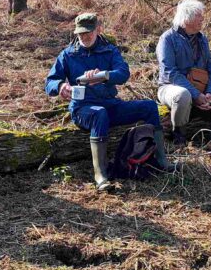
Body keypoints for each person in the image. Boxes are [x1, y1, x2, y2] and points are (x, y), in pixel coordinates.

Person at [45, 13, 172, 191]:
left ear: (98, 29)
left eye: (88, 32)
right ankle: (101, 174)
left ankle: (161, 161)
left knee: (150, 106)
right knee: (99, 113)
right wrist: (60, 87)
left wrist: (104, 76)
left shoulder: (109, 50)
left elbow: (123, 73)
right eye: (80, 33)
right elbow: (49, 82)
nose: (84, 37)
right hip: (83, 109)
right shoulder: (67, 55)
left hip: (110, 104)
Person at [156, 0, 211, 149]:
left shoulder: (202, 39)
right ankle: (179, 137)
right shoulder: (167, 39)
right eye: (199, 15)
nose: (203, 18)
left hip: (202, 89)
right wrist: (196, 95)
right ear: (186, 17)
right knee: (183, 94)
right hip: (170, 88)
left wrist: (210, 92)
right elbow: (170, 73)